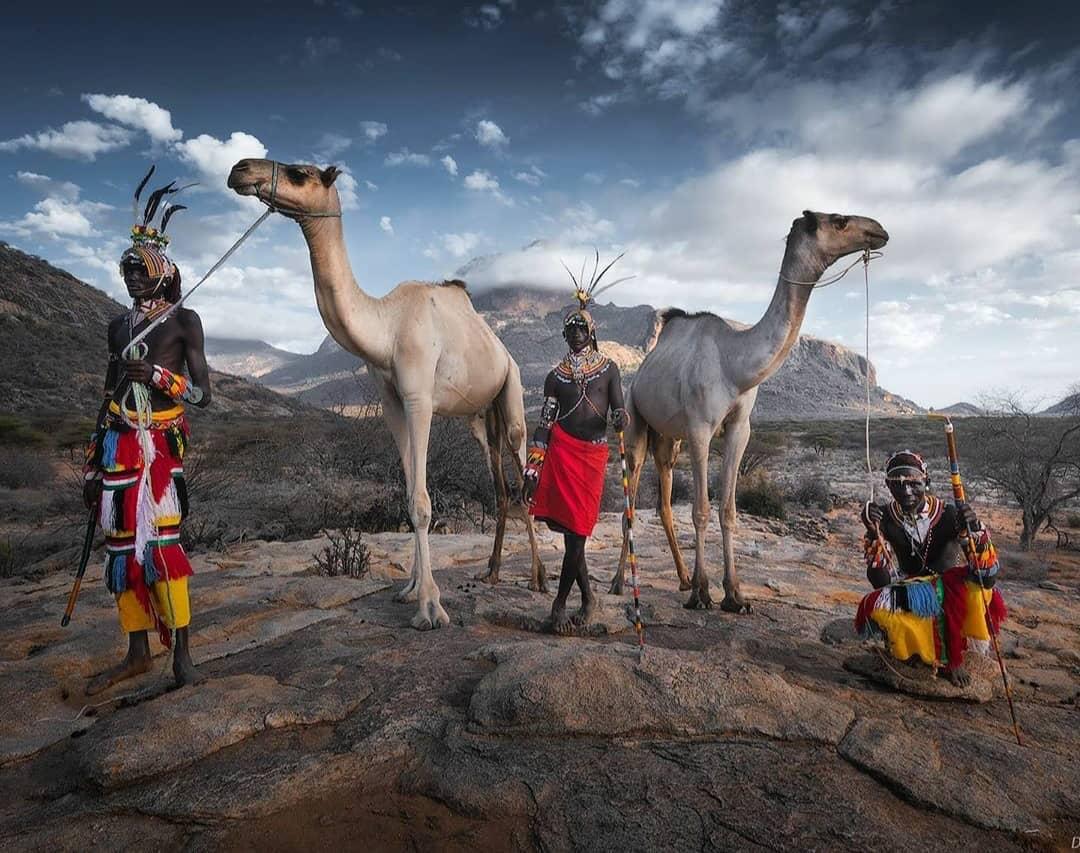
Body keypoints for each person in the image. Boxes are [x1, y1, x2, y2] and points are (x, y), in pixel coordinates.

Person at [82, 175, 211, 694]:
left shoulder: (185, 322)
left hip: (160, 448)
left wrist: (159, 378)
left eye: (142, 270)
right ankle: (136, 653)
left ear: (162, 273)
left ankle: (182, 656)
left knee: (164, 548)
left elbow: (203, 394)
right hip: (118, 444)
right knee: (120, 550)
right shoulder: (118, 326)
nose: (133, 278)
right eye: (127, 269)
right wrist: (93, 462)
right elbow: (106, 392)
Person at [855, 450, 1006, 687]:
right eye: (897, 485)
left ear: (927, 482)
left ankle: (953, 660)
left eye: (914, 484)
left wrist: (975, 529)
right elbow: (879, 580)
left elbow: (987, 577)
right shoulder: (883, 516)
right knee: (873, 604)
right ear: (887, 485)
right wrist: (874, 532)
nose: (906, 491)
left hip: (949, 588)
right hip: (912, 587)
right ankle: (912, 650)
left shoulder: (950, 514)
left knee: (971, 592)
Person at [523, 300, 626, 634]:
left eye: (582, 329)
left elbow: (619, 410)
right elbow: (543, 425)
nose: (577, 335)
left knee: (578, 533)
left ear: (592, 332)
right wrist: (532, 471)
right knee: (574, 536)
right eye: (571, 330)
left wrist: (620, 418)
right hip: (562, 453)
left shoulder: (609, 369)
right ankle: (571, 604)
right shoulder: (555, 378)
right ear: (565, 335)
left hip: (592, 457)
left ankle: (570, 603)